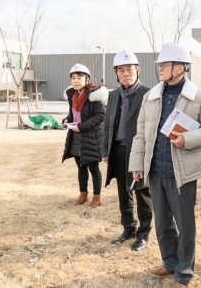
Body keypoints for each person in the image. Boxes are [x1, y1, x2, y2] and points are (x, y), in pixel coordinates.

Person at [129, 42, 201, 288]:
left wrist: (187, 139)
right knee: (162, 222)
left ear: (181, 68)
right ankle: (170, 263)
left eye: (165, 64)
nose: (160, 68)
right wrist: (137, 163)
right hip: (156, 171)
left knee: (185, 225)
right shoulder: (151, 96)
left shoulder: (199, 97)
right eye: (160, 64)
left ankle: (184, 272)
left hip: (183, 173)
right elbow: (140, 132)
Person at [102, 50, 153, 251]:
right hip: (117, 149)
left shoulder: (148, 94)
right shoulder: (113, 95)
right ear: (116, 73)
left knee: (142, 193)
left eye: (129, 69)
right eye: (121, 70)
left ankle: (143, 233)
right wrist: (105, 149)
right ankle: (128, 228)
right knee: (124, 193)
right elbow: (107, 125)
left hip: (138, 152)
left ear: (138, 70)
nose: (126, 73)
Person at [62, 63, 108, 208]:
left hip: (90, 138)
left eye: (79, 77)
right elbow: (74, 114)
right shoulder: (72, 95)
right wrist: (67, 119)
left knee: (93, 169)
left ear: (87, 79)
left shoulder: (94, 95)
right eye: (73, 78)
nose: (75, 81)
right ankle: (83, 194)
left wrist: (81, 127)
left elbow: (100, 116)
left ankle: (97, 197)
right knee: (81, 167)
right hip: (75, 138)